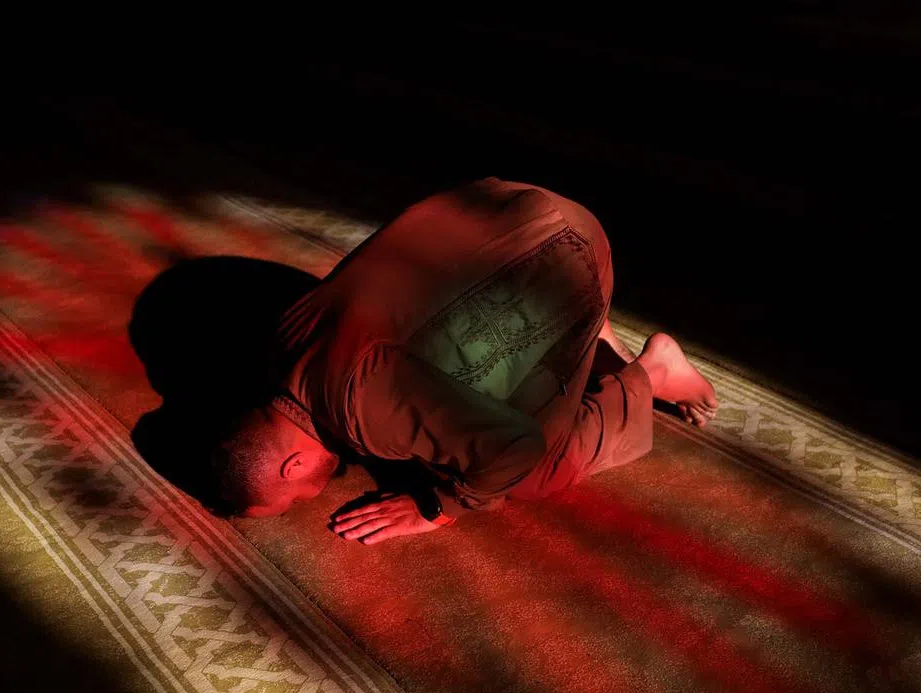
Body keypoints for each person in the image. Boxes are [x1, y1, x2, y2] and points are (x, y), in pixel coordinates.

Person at [211, 178, 718, 543]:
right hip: (500, 204)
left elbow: (513, 448)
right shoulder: (282, 348)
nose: (306, 499)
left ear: (292, 463)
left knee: (538, 469)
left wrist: (437, 509)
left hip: (568, 250)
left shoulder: (365, 406)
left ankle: (652, 372)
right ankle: (583, 333)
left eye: (294, 497)